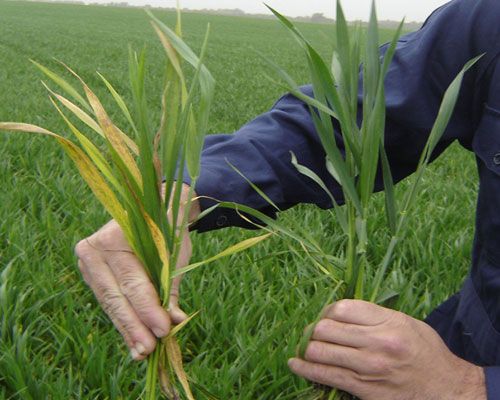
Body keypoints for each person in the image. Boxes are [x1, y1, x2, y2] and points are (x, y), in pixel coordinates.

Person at [75, 0, 500, 398]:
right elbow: (346, 126)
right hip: (471, 337)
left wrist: (469, 387)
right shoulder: (489, 20)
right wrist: (185, 192)